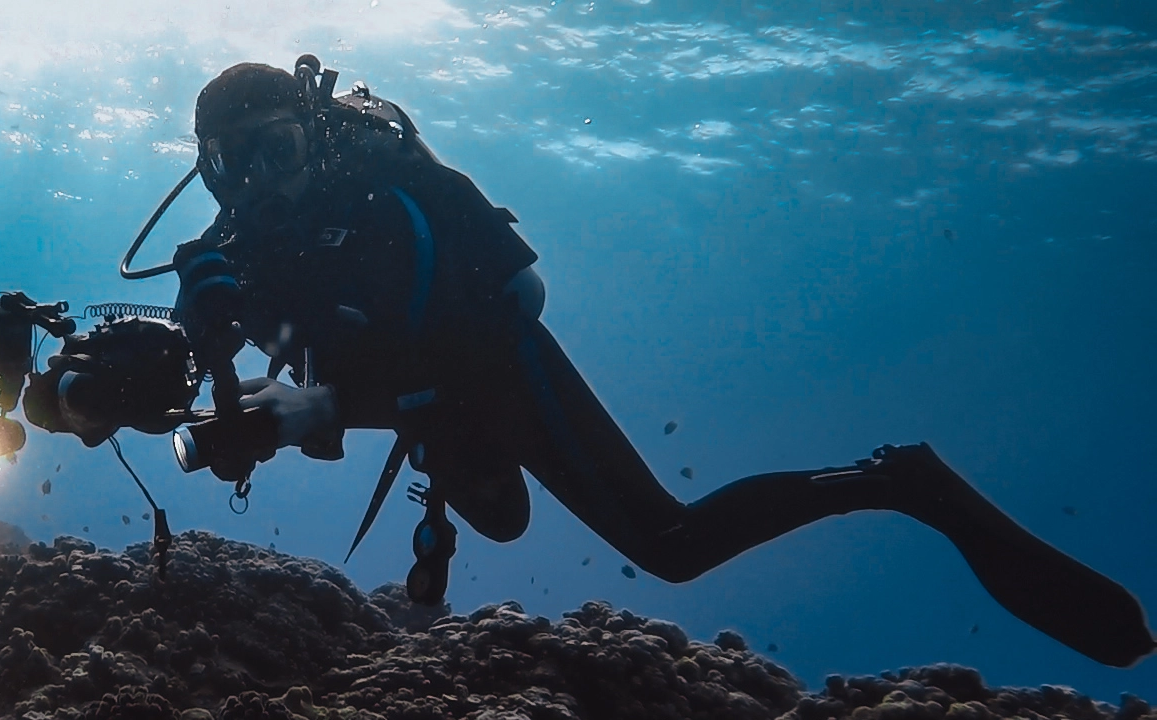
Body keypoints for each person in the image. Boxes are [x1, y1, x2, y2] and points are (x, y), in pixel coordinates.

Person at [168, 56, 1155, 668]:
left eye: (278, 152)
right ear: (206, 171)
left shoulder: (399, 200)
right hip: (419, 404)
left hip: (499, 366)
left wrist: (305, 413)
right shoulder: (230, 260)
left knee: (672, 547)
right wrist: (174, 380)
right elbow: (175, 372)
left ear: (319, 139)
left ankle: (899, 483)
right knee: (502, 522)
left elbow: (504, 310)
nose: (259, 185)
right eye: (232, 164)